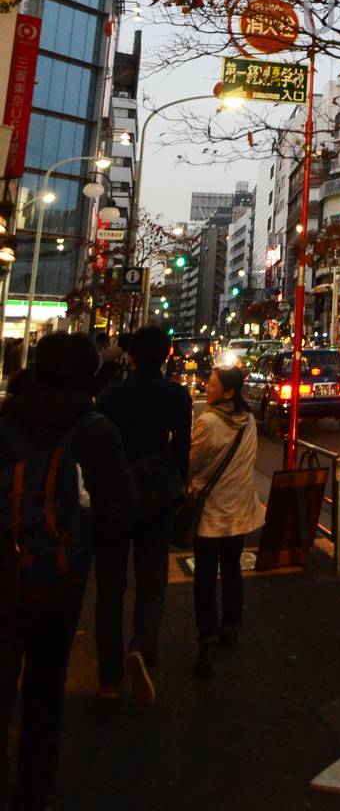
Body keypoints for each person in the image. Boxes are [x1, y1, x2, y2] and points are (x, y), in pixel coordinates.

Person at [0, 332, 130, 811]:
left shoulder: (6, 422)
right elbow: (118, 512)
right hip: (60, 575)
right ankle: (32, 793)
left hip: (3, 568)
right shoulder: (95, 430)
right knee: (45, 687)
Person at [95, 325, 193, 708]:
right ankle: (143, 646)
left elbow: (98, 446)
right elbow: (182, 448)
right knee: (152, 580)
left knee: (109, 587)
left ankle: (107, 678)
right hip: (156, 495)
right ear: (167, 355)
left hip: (115, 495)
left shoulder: (111, 395)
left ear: (130, 356)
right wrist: (176, 484)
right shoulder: (176, 395)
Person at [187, 366, 262, 679]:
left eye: (214, 382)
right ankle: (231, 626)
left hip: (212, 511)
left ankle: (207, 638)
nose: (208, 384)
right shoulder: (249, 421)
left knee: (205, 575)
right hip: (240, 509)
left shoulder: (207, 422)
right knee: (231, 568)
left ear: (228, 392)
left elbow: (191, 464)